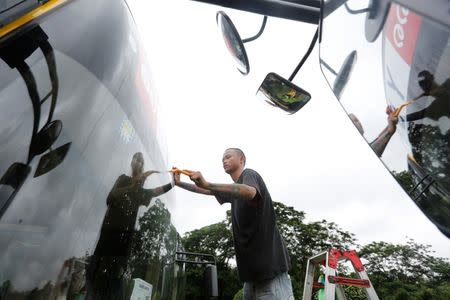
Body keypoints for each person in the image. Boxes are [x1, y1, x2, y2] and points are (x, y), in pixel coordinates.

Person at [174, 148, 293, 299]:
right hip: (251, 279)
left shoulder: (249, 174)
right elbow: (206, 190)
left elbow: (249, 192)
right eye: (222, 159)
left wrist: (208, 183)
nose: (224, 160)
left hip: (271, 275)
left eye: (228, 157)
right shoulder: (234, 192)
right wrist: (179, 183)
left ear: (242, 159)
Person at [86, 152, 174, 300]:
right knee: (95, 283)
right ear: (132, 163)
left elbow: (155, 192)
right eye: (137, 159)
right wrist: (133, 184)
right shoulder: (123, 179)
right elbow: (110, 197)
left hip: (122, 251)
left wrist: (172, 184)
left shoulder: (141, 193)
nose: (139, 163)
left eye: (142, 161)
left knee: (113, 286)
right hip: (105, 244)